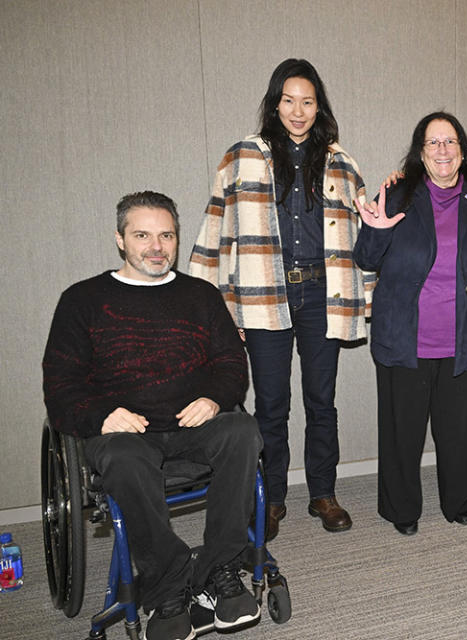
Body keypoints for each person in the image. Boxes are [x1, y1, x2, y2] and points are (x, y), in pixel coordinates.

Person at [42, 191, 262, 640]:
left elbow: (231, 364)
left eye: (166, 235)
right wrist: (102, 413)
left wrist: (217, 398)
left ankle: (220, 570)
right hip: (124, 435)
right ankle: (168, 586)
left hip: (190, 425)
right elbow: (60, 383)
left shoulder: (200, 295)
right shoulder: (82, 300)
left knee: (242, 429)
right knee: (123, 458)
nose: (156, 246)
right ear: (120, 240)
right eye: (142, 235)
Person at [190, 59, 373, 540]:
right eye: (288, 100)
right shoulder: (241, 159)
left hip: (322, 294)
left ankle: (323, 493)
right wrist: (209, 310)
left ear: (320, 106)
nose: (298, 110)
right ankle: (271, 499)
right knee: (271, 404)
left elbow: (363, 237)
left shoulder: (342, 164)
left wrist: (368, 296)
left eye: (308, 101)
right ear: (275, 104)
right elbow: (216, 231)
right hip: (263, 294)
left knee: (322, 401)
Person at [353, 112, 467, 536]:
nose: (442, 150)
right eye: (433, 143)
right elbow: (367, 259)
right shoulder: (398, 194)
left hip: (465, 341)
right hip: (404, 340)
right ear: (421, 153)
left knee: (459, 434)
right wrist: (373, 230)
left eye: (450, 142)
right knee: (401, 434)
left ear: (463, 151)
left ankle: (458, 502)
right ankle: (402, 510)